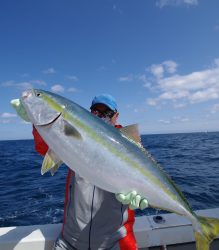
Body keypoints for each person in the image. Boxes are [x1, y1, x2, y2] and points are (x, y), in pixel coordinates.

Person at [32, 94, 148, 250]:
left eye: (107, 113)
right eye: (96, 112)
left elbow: (148, 181)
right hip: (69, 242)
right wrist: (37, 119)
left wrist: (143, 194)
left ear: (116, 116)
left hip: (115, 243)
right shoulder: (78, 141)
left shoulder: (130, 149)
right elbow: (47, 147)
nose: (101, 116)